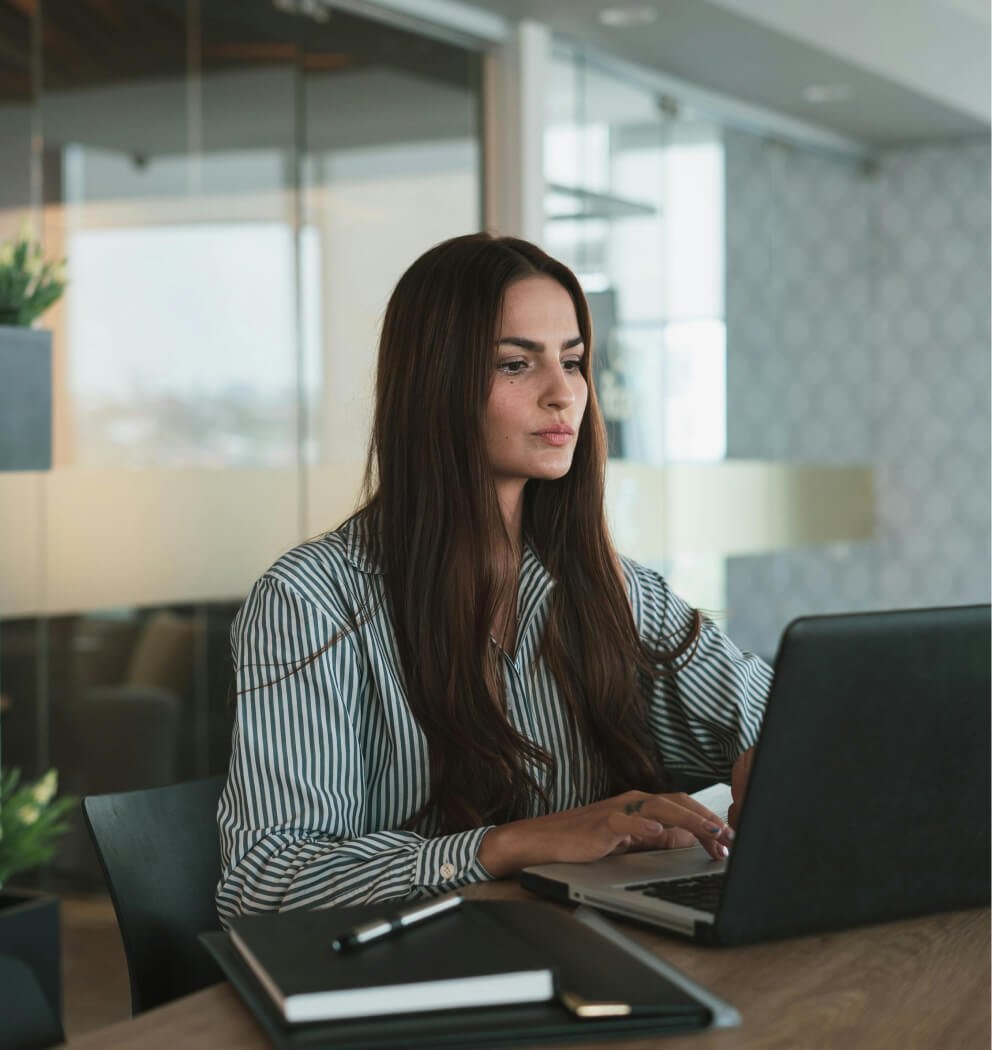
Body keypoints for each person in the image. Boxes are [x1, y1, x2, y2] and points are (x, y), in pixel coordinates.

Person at [216, 232, 772, 922]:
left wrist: (770, 750)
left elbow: (771, 709)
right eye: (516, 364)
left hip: (581, 950)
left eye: (573, 362)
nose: (562, 394)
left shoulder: (613, 589)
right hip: (413, 983)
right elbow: (267, 886)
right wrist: (507, 845)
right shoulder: (312, 600)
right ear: (436, 384)